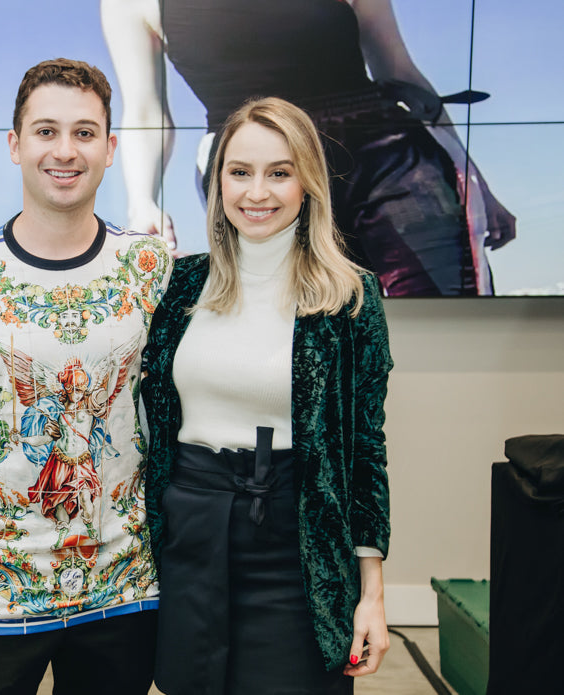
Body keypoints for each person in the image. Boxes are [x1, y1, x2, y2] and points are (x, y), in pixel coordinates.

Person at [0, 58, 172, 695]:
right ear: (15, 145)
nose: (65, 151)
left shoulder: (149, 267)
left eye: (85, 132)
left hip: (121, 580)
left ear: (111, 148)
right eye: (45, 131)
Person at [140, 97, 393, 694]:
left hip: (296, 541)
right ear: (217, 180)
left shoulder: (350, 297)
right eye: (240, 172)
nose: (257, 192)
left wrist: (371, 595)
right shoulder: (176, 286)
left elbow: (366, 451)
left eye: (279, 172)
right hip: (189, 531)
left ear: (307, 182)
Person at [101, 0, 516, 296]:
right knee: (301, 352)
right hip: (260, 176)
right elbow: (145, 110)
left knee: (441, 315)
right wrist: (142, 201)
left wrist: (472, 179)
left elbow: (400, 71)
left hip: (389, 158)